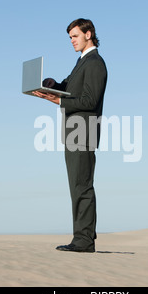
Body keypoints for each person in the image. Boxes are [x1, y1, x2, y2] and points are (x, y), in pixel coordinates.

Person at [33, 18, 107, 253]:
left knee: (82, 185)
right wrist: (53, 85)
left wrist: (58, 99)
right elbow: (70, 87)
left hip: (83, 130)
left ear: (88, 34)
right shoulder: (82, 61)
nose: (72, 41)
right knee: (77, 185)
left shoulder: (95, 63)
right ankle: (83, 236)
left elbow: (89, 100)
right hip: (75, 131)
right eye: (70, 38)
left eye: (75, 36)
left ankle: (84, 240)